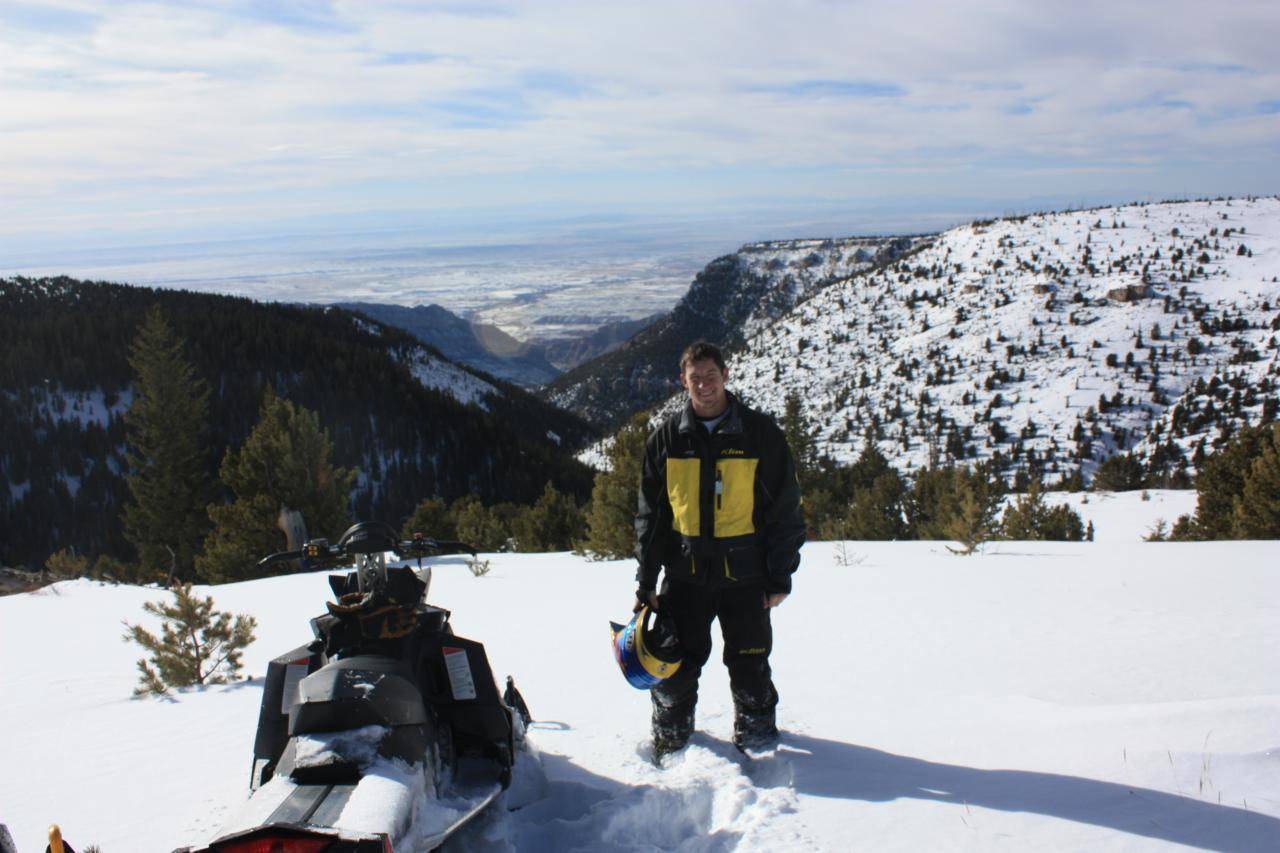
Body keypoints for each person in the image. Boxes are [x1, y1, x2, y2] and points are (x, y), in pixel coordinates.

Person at [633, 341, 806, 756]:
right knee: (673, 670)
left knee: (750, 668)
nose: (704, 386)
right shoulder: (667, 440)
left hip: (745, 578)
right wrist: (645, 580)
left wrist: (780, 575)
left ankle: (760, 743)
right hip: (684, 576)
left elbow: (786, 511)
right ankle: (671, 744)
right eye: (696, 379)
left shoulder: (759, 435)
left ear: (726, 376)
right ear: (683, 382)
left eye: (711, 376)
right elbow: (651, 518)